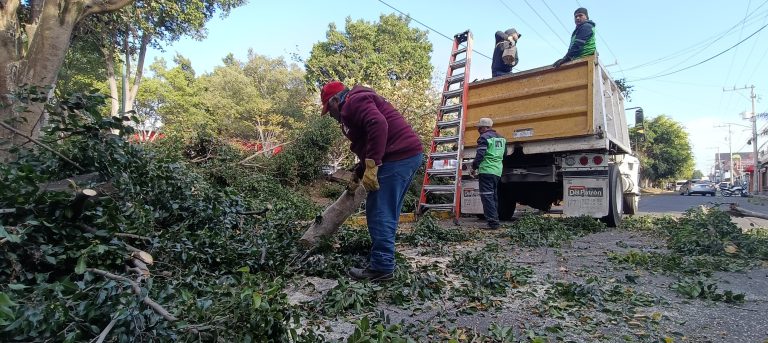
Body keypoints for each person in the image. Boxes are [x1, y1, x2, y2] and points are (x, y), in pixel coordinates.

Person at [320, 81, 423, 282]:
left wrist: (373, 164)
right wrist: (359, 173)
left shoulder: (352, 103)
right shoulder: (355, 103)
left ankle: (382, 266)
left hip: (397, 157)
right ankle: (383, 260)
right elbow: (368, 142)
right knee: (386, 210)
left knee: (379, 211)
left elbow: (378, 124)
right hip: (407, 155)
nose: (331, 115)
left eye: (328, 109)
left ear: (334, 100)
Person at [471, 118, 507, 229]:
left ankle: (493, 223)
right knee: (493, 196)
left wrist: (474, 167)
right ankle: (495, 220)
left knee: (487, 197)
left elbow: (480, 155)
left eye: (480, 128)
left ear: (485, 127)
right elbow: (504, 154)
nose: (478, 130)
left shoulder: (484, 138)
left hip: (486, 170)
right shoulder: (502, 138)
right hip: (497, 171)